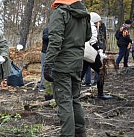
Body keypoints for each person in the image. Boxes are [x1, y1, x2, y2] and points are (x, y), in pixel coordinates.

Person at [43, 0, 91, 136]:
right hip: (77, 63)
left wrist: (48, 64)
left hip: (62, 65)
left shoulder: (60, 13)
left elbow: (55, 41)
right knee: (75, 99)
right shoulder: (84, 14)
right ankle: (80, 133)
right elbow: (88, 36)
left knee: (64, 102)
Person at [81, 12, 112, 100]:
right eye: (98, 21)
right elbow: (93, 41)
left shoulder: (84, 25)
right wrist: (99, 50)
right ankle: (100, 93)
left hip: (83, 53)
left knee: (80, 75)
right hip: (91, 54)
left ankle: (73, 95)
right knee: (101, 71)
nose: (100, 23)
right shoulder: (92, 27)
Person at [38, 27, 49, 92]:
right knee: (44, 68)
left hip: (54, 52)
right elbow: (45, 37)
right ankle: (42, 86)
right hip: (45, 52)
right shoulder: (47, 29)